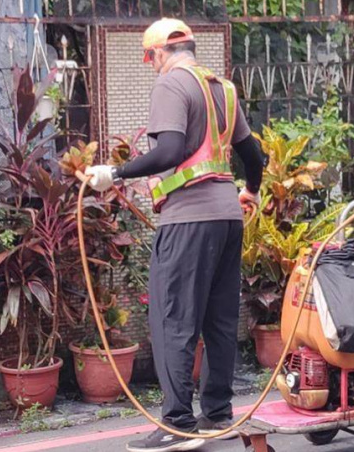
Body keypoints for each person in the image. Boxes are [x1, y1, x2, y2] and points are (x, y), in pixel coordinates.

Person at [84, 18, 267, 452]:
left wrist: (115, 173)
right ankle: (217, 412)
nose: (152, 67)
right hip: (227, 217)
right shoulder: (221, 87)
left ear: (158, 54)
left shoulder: (171, 85)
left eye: (150, 59)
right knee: (220, 320)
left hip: (187, 219)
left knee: (172, 319)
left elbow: (167, 150)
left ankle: (177, 422)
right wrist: (252, 191)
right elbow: (252, 153)